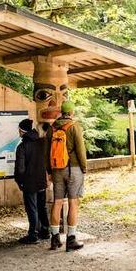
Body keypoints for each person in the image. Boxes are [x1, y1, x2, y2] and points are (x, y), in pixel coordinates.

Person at [46, 100, 87, 252]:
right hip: (73, 169)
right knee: (73, 202)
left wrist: (49, 171)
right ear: (71, 112)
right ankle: (71, 239)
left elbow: (47, 152)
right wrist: (84, 167)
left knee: (57, 203)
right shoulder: (74, 127)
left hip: (56, 169)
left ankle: (55, 238)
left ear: (61, 112)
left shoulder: (52, 128)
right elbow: (81, 150)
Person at [14, 118, 50, 244]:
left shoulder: (22, 146)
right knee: (42, 206)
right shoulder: (42, 142)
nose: (18, 131)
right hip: (41, 180)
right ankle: (45, 231)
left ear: (22, 131)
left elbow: (20, 168)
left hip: (29, 182)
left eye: (19, 129)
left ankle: (33, 234)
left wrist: (19, 181)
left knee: (32, 208)